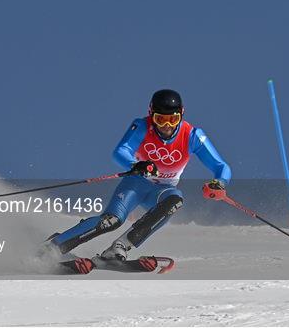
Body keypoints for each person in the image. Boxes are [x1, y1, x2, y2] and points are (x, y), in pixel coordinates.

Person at [45, 89, 231, 260]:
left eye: (173, 120)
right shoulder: (142, 126)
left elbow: (221, 165)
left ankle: (120, 247)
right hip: (135, 184)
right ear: (152, 115)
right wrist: (136, 164)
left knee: (174, 201)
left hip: (162, 190)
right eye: (160, 119)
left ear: (182, 114)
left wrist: (220, 182)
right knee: (111, 221)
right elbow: (120, 151)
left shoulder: (192, 135)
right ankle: (54, 246)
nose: (166, 126)